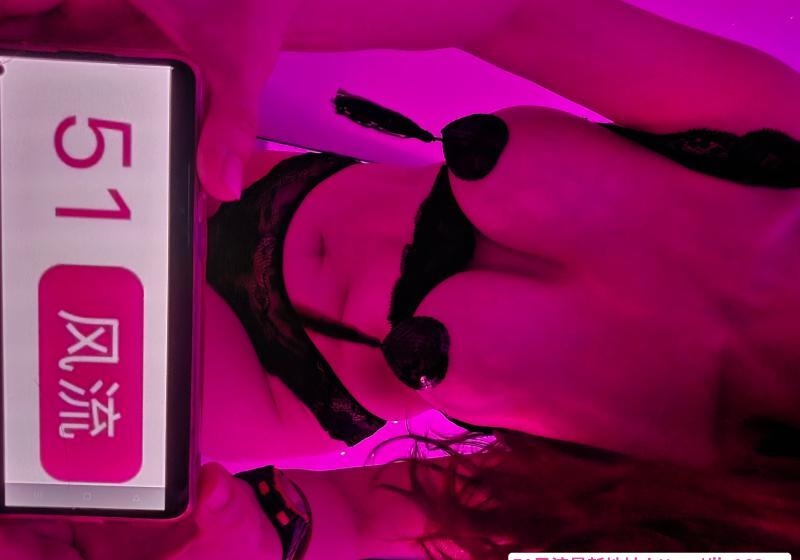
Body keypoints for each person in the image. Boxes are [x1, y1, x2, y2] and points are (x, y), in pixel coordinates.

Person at [1, 0, 799, 558]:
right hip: (226, 174)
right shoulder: (778, 140)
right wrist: (249, 10)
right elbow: (506, 13)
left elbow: (384, 525)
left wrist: (269, 541)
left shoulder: (740, 519)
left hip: (274, 382)